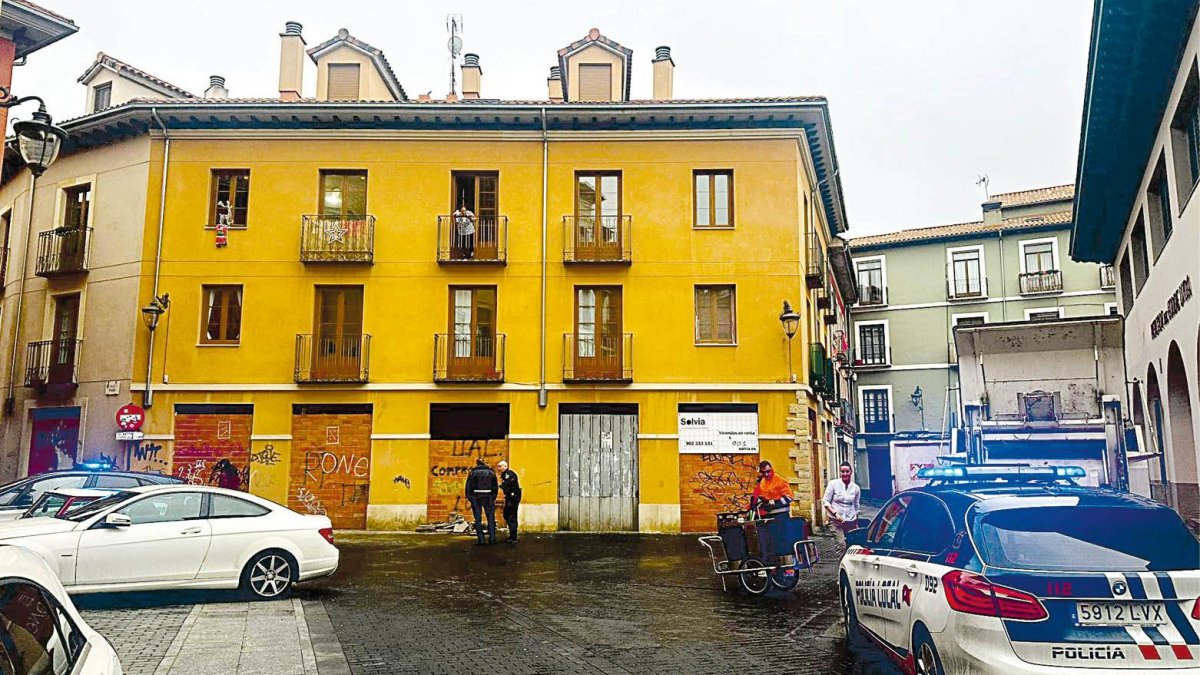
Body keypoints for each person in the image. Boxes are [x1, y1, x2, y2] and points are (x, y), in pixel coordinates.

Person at [823, 461, 862, 553]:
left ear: (851, 472)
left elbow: (856, 506)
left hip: (850, 521)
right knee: (841, 544)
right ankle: (841, 565)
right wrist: (835, 514)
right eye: (842, 471)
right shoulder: (833, 484)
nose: (845, 474)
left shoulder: (856, 488)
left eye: (847, 471)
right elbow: (826, 501)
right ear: (840, 472)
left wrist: (856, 523)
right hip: (836, 521)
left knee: (852, 546)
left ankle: (849, 566)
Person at [464, 458, 498, 545]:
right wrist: (493, 497)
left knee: (478, 519)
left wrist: (470, 498)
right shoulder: (491, 472)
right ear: (485, 463)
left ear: (477, 463)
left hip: (476, 497)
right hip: (488, 497)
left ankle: (481, 539)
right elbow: (495, 487)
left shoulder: (472, 473)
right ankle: (492, 539)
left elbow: (468, 487)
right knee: (490, 518)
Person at [497, 460, 522, 543]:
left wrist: (500, 486)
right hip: (510, 497)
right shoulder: (505, 474)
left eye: (500, 466)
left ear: (505, 466)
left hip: (513, 497)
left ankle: (513, 536)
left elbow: (507, 484)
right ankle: (512, 534)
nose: (498, 468)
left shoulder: (509, 474)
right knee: (507, 515)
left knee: (511, 516)